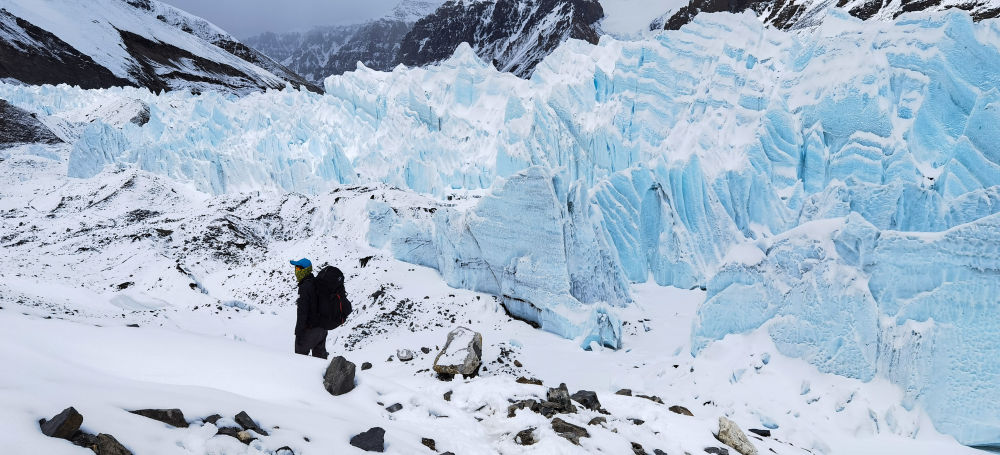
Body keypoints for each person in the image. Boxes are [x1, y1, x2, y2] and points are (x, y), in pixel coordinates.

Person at [290, 258, 329, 359]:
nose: (296, 271)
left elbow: (302, 312)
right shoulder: (317, 283)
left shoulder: (304, 287)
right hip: (322, 329)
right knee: (320, 359)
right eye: (296, 268)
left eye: (298, 268)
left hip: (309, 330)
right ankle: (325, 375)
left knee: (300, 360)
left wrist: (298, 332)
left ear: (305, 270)